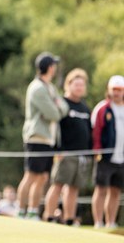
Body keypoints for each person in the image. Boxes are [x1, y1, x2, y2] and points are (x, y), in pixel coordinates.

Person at [16, 52, 69, 220]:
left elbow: (63, 108)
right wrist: (56, 108)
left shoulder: (50, 88)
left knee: (43, 177)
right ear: (49, 67)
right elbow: (54, 113)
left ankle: (32, 211)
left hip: (49, 139)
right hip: (37, 137)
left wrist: (57, 108)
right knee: (31, 175)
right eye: (53, 65)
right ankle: (20, 210)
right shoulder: (37, 88)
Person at [42, 68, 92, 225]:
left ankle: (69, 219)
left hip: (82, 155)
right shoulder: (63, 105)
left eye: (82, 85)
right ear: (68, 85)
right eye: (76, 84)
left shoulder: (85, 108)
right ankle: (49, 216)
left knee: (73, 188)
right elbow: (54, 128)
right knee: (57, 185)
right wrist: (58, 150)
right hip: (65, 153)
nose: (79, 87)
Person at [91, 74, 124, 229]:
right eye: (114, 89)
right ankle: (98, 222)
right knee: (101, 189)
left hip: (122, 158)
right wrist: (97, 151)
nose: (117, 92)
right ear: (109, 90)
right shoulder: (102, 108)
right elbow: (96, 131)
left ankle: (111, 222)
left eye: (120, 89)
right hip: (105, 157)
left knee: (116, 191)